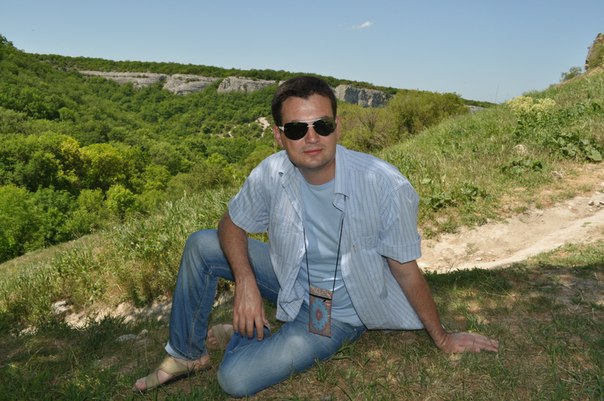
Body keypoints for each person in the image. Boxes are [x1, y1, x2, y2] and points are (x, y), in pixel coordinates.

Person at [134, 76, 499, 397]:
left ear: (337, 127)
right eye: (296, 129)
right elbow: (230, 223)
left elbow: (406, 269)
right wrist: (246, 282)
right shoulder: (272, 172)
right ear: (279, 136)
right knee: (202, 244)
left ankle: (247, 333)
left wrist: (442, 338)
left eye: (321, 125)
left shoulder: (384, 184)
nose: (311, 138)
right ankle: (187, 354)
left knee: (235, 379)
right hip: (289, 277)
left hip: (338, 312)